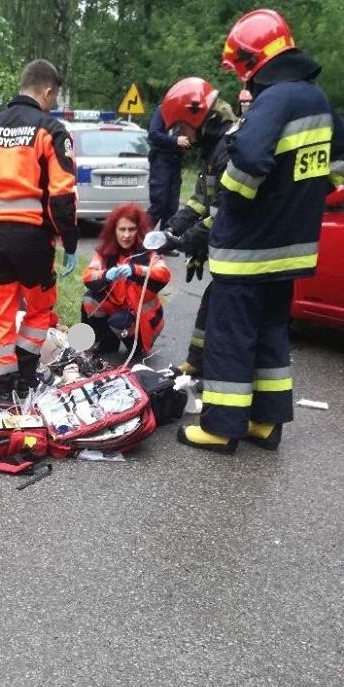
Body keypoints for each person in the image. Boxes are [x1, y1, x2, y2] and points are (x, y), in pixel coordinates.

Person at [178, 8, 344, 453]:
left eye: (241, 68)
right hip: (292, 248)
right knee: (271, 331)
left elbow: (248, 163)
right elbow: (335, 173)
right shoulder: (318, 101)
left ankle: (220, 426)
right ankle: (265, 423)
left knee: (230, 335)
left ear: (253, 59)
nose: (243, 79)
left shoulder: (275, 101)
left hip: (249, 248)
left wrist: (230, 206)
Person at [0, 59, 78, 399]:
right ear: (48, 91)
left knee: (0, 314)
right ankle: (26, 378)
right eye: (54, 98)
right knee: (39, 309)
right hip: (33, 240)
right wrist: (70, 242)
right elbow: (61, 194)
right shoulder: (50, 130)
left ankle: (2, 389)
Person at [159, 77, 236, 376]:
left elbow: (223, 214)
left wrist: (183, 242)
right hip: (226, 249)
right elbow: (200, 202)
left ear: (197, 116)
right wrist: (171, 228)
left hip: (237, 248)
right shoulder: (213, 150)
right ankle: (195, 363)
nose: (182, 135)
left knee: (221, 311)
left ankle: (212, 375)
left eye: (182, 126)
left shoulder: (228, 149)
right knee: (211, 303)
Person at [81, 203, 170, 362]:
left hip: (144, 322)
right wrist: (106, 274)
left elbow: (163, 274)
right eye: (122, 230)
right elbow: (88, 276)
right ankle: (107, 343)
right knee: (90, 300)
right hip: (119, 309)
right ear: (114, 231)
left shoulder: (148, 253)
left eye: (131, 229)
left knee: (120, 323)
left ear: (139, 230)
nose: (126, 235)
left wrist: (137, 270)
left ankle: (137, 349)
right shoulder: (106, 252)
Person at [146, 103, 191, 232]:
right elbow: (153, 134)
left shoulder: (187, 113)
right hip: (161, 160)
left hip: (176, 161)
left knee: (172, 206)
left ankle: (164, 243)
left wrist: (188, 143)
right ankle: (140, 239)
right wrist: (175, 140)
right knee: (159, 203)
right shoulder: (163, 110)